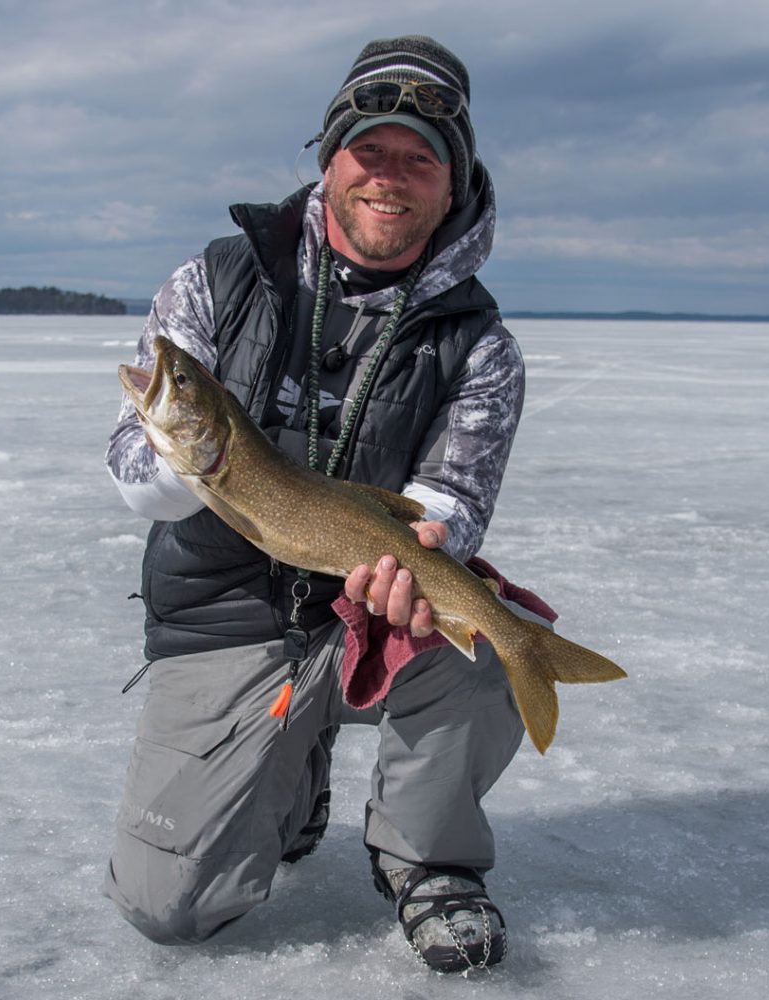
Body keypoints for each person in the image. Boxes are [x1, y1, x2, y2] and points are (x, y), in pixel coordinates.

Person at [104, 35, 542, 974]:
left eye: (419, 158)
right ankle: (288, 775)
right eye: (370, 151)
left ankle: (434, 864)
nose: (391, 176)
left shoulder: (481, 346)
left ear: (452, 182)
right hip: (225, 620)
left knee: (483, 644)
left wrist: (425, 548)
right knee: (168, 908)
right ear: (329, 158)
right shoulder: (214, 282)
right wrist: (192, 455)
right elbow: (132, 467)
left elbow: (450, 503)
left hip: (369, 612)